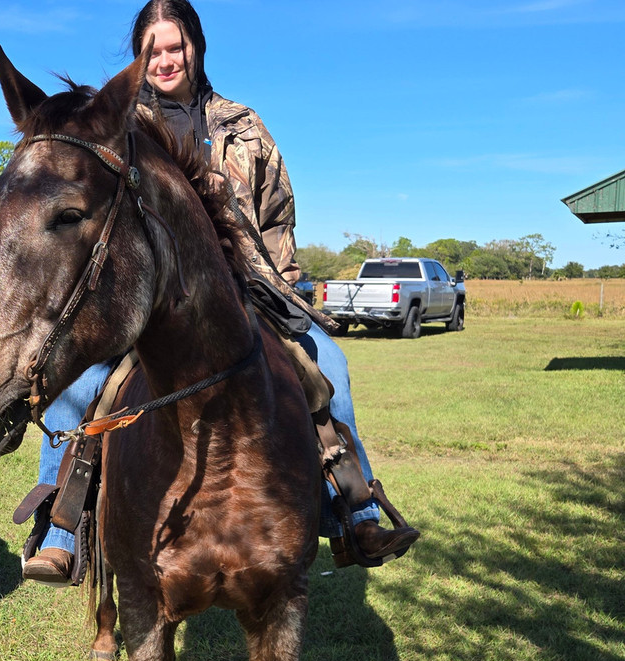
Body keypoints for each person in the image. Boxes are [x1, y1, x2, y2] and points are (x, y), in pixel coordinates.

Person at [22, 0, 419, 584]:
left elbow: (277, 209)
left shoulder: (243, 125)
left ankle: (353, 511)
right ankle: (59, 528)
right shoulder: (120, 127)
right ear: (139, 57)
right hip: (148, 294)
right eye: (152, 49)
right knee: (77, 384)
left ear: (196, 49)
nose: (165, 58)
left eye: (175, 46)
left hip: (249, 286)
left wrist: (282, 284)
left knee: (328, 362)